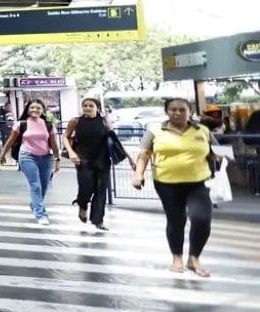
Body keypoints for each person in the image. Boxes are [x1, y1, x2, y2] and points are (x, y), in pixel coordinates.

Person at [133, 98, 221, 277]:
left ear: (190, 112)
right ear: (167, 111)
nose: (177, 113)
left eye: (182, 109)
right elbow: (144, 155)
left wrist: (220, 156)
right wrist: (138, 174)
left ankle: (194, 258)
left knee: (202, 218)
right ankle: (177, 258)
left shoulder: (202, 130)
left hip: (198, 182)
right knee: (176, 220)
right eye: (173, 109)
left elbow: (218, 152)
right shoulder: (155, 130)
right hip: (166, 183)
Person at [63, 97, 132, 231]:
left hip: (102, 160)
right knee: (86, 188)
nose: (88, 108)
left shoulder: (104, 121)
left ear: (97, 108)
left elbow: (115, 140)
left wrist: (130, 158)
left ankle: (98, 220)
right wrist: (71, 152)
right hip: (83, 159)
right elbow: (66, 136)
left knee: (101, 191)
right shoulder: (76, 121)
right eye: (85, 105)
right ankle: (82, 206)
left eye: (91, 105)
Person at [0, 99, 62, 225]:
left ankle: (35, 204)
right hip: (27, 156)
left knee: (43, 186)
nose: (35, 110)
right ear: (28, 109)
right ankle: (41, 214)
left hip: (46, 157)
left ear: (43, 110)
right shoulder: (21, 124)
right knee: (35, 185)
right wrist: (3, 154)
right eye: (32, 108)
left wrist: (57, 159)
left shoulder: (48, 125)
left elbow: (54, 144)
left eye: (38, 108)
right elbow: (11, 140)